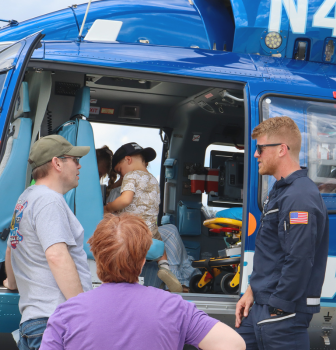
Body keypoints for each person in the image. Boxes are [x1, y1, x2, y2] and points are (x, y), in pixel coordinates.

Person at [40, 213, 246, 350]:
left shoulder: (65, 314)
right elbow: (235, 344)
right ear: (142, 262)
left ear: (97, 256)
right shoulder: (174, 307)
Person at [235, 116, 329, 349]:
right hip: (260, 307)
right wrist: (251, 291)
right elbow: (273, 252)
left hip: (280, 315)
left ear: (281, 150)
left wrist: (279, 307)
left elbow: (299, 258)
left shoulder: (300, 196)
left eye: (260, 148)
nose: (256, 154)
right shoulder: (281, 191)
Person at [3, 135, 93, 350]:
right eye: (75, 159)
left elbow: (10, 250)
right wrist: (82, 312)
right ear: (57, 162)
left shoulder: (26, 199)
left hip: (35, 323)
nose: (80, 165)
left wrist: (12, 284)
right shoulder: (49, 200)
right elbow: (57, 256)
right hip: (56, 324)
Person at [104, 142, 182, 292]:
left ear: (128, 160)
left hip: (132, 230)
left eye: (120, 171)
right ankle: (165, 267)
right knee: (160, 245)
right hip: (150, 231)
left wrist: (108, 208)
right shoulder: (153, 179)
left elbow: (126, 200)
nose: (122, 176)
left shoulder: (131, 176)